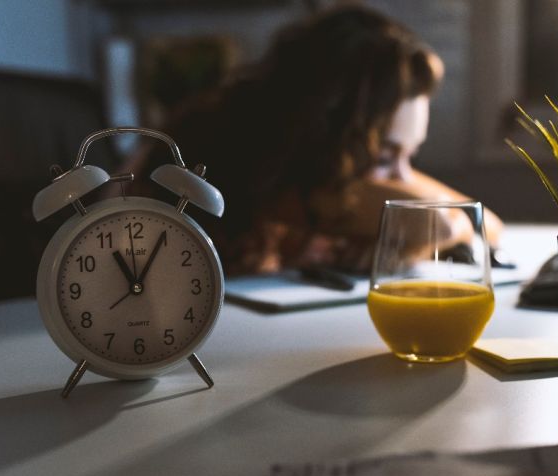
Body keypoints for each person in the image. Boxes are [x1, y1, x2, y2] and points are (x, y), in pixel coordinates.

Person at [122, 4, 503, 275]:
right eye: (386, 157)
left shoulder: (296, 158)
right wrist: (430, 228)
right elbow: (442, 223)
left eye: (410, 156)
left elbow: (484, 220)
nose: (402, 180)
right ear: (326, 132)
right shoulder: (227, 156)